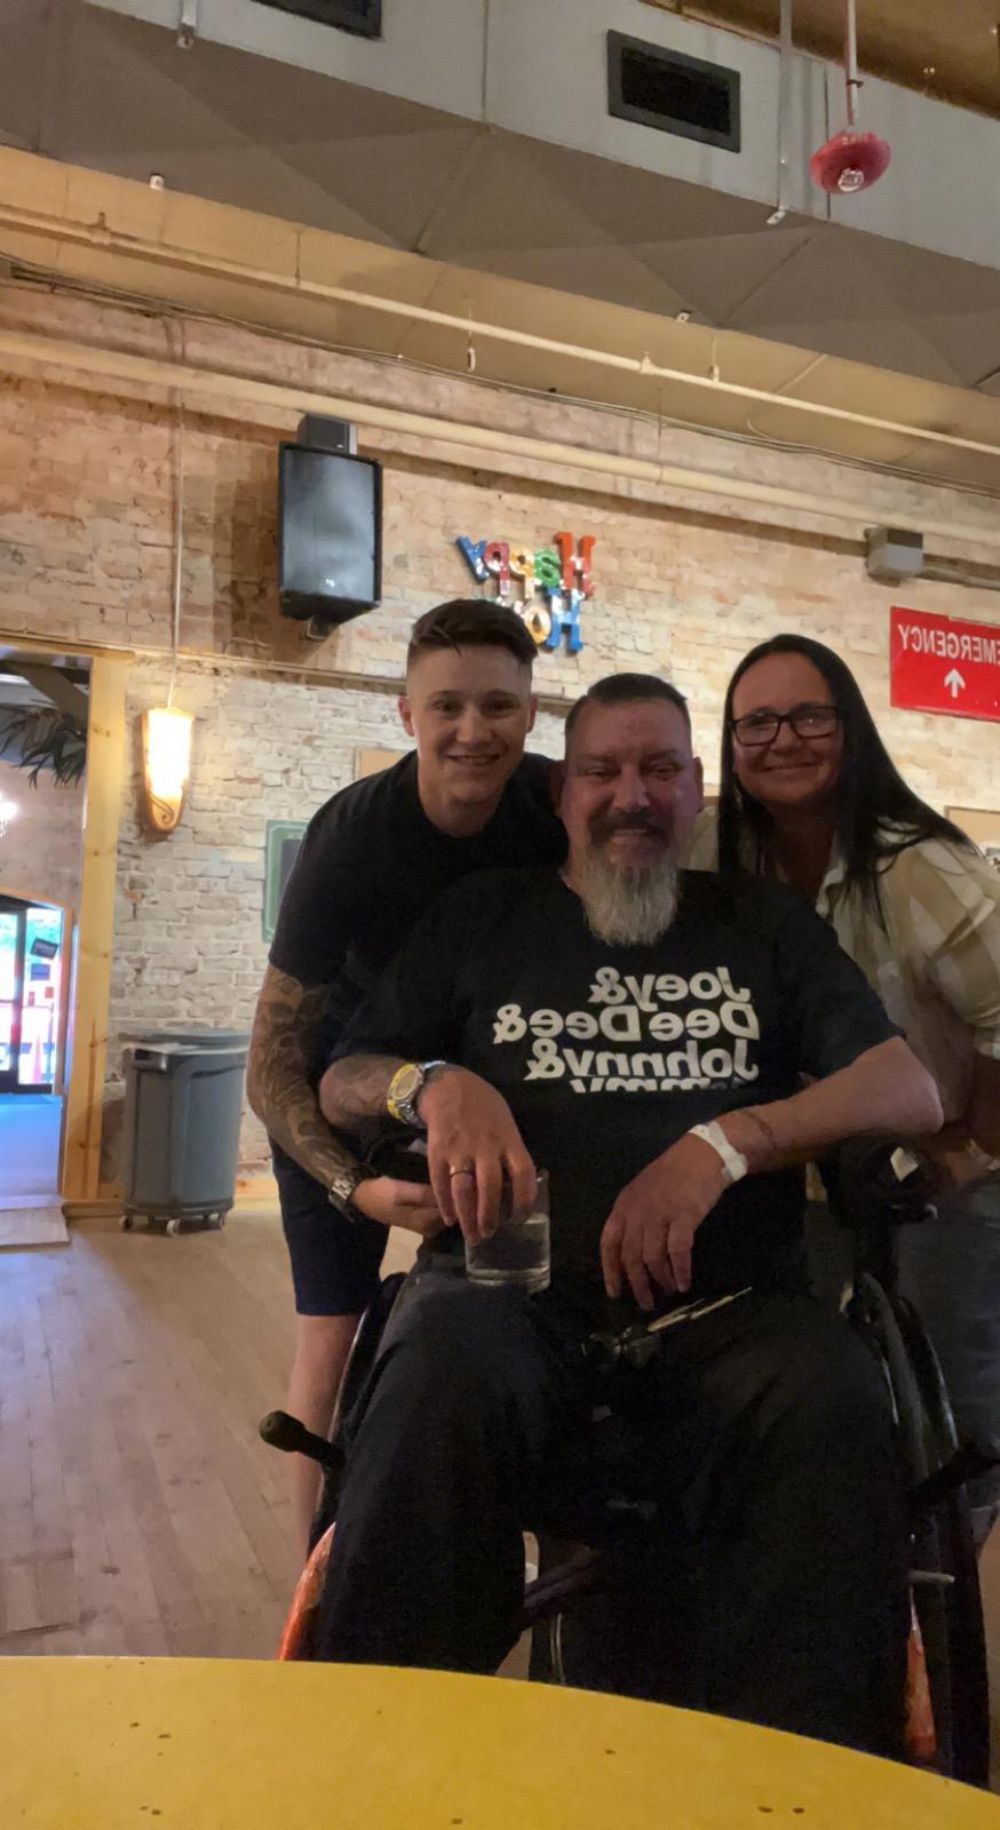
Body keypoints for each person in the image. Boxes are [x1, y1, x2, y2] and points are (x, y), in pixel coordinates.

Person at [313, 673, 941, 1755]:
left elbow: (908, 1089)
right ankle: (380, 1755)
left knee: (834, 1397)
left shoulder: (761, 923)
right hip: (510, 1300)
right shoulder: (486, 915)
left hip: (733, 1313)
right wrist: (435, 1085)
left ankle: (804, 1776)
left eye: (659, 770)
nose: (631, 796)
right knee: (429, 1384)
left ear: (696, 791)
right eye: (602, 771)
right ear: (565, 794)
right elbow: (341, 1078)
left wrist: (725, 1144)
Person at [246, 599, 566, 1552]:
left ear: (531, 714)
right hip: (338, 1098)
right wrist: (353, 1186)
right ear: (407, 714)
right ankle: (311, 1590)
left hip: (484, 1095)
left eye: (498, 706)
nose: (473, 731)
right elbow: (271, 1065)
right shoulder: (351, 836)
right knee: (328, 1337)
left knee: (523, 1314)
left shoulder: (554, 807)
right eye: (447, 707)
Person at [687, 632, 1000, 1545]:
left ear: (851, 728)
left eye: (809, 717)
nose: (783, 739)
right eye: (757, 723)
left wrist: (969, 1150)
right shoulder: (712, 848)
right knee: (811, 1387)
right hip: (803, 1168)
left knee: (951, 1404)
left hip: (947, 1168)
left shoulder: (923, 868)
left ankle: (943, 1601)